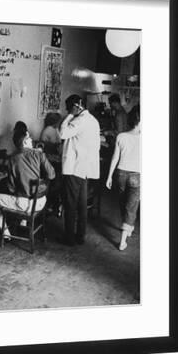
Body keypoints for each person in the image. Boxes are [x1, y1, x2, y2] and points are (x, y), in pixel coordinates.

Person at [0, 129, 55, 235]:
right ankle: (22, 225)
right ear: (25, 142)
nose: (32, 140)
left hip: (26, 205)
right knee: (22, 193)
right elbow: (52, 175)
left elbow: (11, 188)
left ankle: (5, 233)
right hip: (41, 201)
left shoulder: (12, 159)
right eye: (29, 138)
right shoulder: (39, 154)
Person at [59, 94, 101, 245]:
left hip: (74, 167)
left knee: (70, 204)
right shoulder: (93, 120)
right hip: (85, 168)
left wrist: (70, 114)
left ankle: (69, 238)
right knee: (82, 204)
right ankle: (80, 235)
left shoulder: (78, 120)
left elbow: (62, 133)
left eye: (68, 107)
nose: (66, 110)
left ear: (75, 106)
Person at [106, 106, 141, 251]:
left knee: (123, 203)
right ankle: (122, 241)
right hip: (137, 176)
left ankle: (128, 227)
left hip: (120, 174)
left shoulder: (121, 136)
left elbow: (115, 158)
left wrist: (109, 176)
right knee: (131, 207)